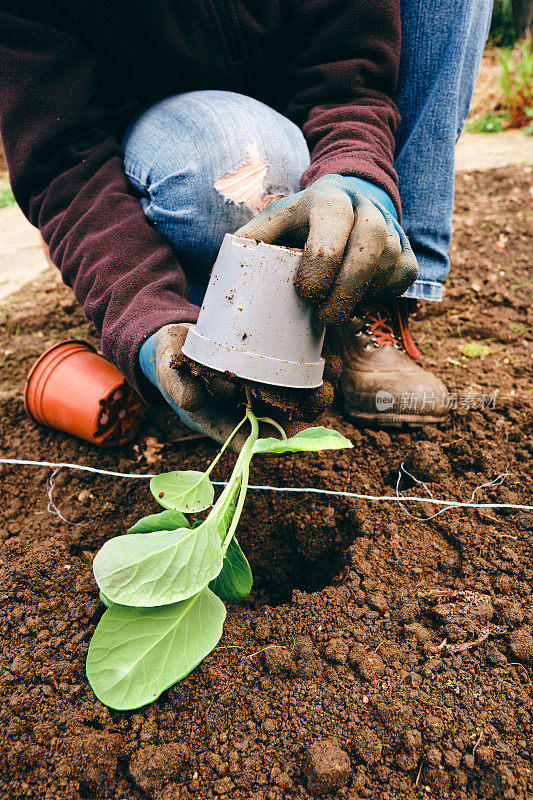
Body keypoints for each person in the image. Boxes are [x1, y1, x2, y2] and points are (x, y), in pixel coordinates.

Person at [0, 0, 492, 439]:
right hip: (168, 137)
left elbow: (350, 73)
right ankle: (214, 311)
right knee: (237, 160)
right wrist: (141, 313)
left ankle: (372, 291)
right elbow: (62, 160)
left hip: (304, 107)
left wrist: (356, 173)